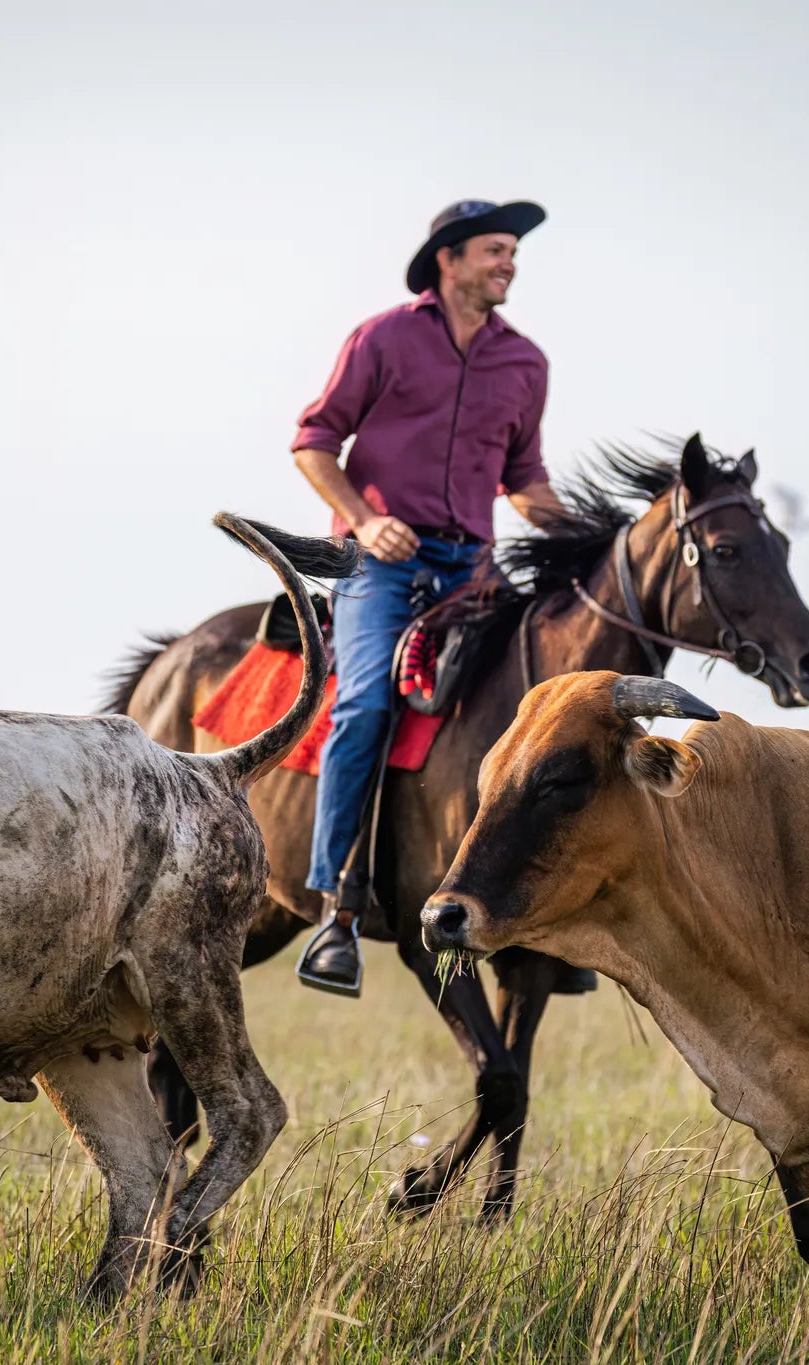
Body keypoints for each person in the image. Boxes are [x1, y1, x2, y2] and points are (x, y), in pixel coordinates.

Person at [290, 199, 565, 996]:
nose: (508, 262)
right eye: (494, 250)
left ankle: (544, 914)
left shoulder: (527, 363)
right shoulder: (383, 337)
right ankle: (337, 909)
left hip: (472, 568)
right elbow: (313, 441)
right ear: (448, 259)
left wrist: (595, 535)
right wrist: (367, 522)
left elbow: (525, 483)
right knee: (367, 703)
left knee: (539, 699)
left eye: (513, 251)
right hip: (382, 564)